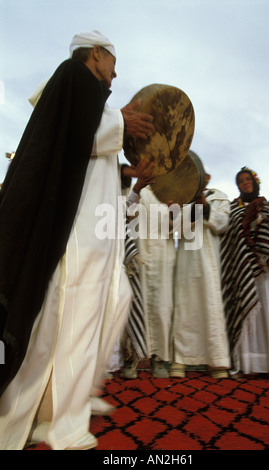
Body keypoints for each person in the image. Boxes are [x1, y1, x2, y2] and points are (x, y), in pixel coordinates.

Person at [0, 30, 154, 450]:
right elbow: (76, 134)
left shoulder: (93, 104)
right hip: (77, 232)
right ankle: (49, 419)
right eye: (112, 64)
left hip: (96, 230)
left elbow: (89, 159)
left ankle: (64, 405)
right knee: (63, 320)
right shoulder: (72, 79)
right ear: (97, 53)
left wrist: (131, 176)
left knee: (104, 307)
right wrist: (121, 121)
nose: (115, 74)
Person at [220, 167, 269, 380]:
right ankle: (247, 364)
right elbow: (230, 238)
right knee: (247, 312)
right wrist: (247, 219)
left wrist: (260, 220)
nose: (245, 183)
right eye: (241, 181)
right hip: (244, 270)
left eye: (248, 179)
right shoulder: (232, 209)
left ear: (256, 182)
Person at [170, 167, 231, 378]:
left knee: (211, 304)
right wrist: (177, 211)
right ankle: (181, 360)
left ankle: (217, 361)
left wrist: (204, 207)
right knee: (185, 305)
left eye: (202, 176)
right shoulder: (182, 198)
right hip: (187, 259)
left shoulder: (219, 197)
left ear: (208, 178)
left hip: (211, 259)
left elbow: (223, 224)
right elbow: (175, 229)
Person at [122, 179, 176, 379]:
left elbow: (181, 228)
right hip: (139, 255)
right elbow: (126, 213)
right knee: (135, 305)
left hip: (163, 258)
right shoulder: (134, 189)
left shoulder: (171, 192)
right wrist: (136, 189)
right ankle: (131, 357)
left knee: (163, 309)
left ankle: (159, 358)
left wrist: (173, 212)